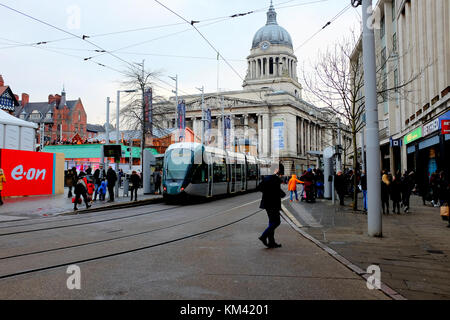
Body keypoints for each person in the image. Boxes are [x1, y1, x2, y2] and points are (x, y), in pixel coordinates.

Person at [257, 168, 286, 249]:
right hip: (274, 204)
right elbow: (278, 192)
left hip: (266, 203)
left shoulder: (266, 178)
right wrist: (282, 194)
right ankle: (263, 236)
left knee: (271, 222)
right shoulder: (276, 179)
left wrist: (267, 192)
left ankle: (271, 242)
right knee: (277, 222)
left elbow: (259, 188)